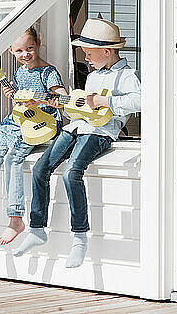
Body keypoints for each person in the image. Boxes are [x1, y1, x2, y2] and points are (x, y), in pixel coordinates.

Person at [13, 18, 141, 267]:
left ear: (106, 51)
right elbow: (78, 111)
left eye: (89, 53)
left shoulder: (127, 76)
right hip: (78, 128)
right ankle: (37, 229)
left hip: (100, 133)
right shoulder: (92, 77)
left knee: (72, 173)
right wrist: (52, 103)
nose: (86, 58)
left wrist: (106, 103)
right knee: (41, 168)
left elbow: (141, 101)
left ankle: (80, 239)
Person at [0, 26, 67, 245]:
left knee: (14, 158)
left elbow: (62, 99)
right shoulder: (19, 72)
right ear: (11, 50)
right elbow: (21, 103)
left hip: (41, 123)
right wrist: (15, 96)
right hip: (18, 121)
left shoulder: (48, 72)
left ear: (38, 43)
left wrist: (38, 100)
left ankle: (15, 218)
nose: (25, 55)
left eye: (29, 48)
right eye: (19, 51)